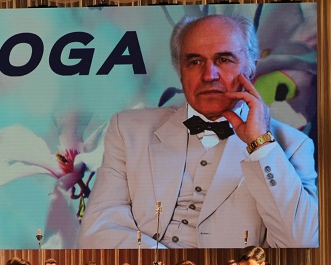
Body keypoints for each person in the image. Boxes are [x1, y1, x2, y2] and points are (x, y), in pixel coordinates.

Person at [78, 14, 317, 249]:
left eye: (224, 59)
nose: (209, 75)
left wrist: (260, 146)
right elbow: (97, 231)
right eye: (194, 62)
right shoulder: (128, 129)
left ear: (251, 67)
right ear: (180, 72)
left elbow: (300, 243)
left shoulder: (293, 145)